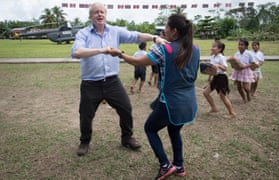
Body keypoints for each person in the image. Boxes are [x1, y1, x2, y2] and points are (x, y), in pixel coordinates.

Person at [109, 14, 200, 180]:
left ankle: (165, 165)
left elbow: (137, 62)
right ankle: (179, 165)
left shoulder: (164, 50)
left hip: (171, 102)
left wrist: (120, 54)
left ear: (173, 31)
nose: (163, 29)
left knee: (150, 128)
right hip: (189, 101)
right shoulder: (195, 48)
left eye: (166, 26)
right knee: (174, 131)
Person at [71, 2, 166, 156]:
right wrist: (102, 50)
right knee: (86, 114)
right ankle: (85, 141)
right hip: (90, 83)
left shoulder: (115, 31)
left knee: (126, 108)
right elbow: (77, 52)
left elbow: (136, 35)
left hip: (112, 81)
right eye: (96, 12)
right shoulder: (83, 34)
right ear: (90, 16)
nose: (100, 14)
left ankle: (127, 137)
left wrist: (155, 37)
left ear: (106, 15)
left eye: (102, 12)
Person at [203, 41, 236, 118]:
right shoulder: (212, 57)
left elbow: (225, 69)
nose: (212, 48)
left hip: (222, 78)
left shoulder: (221, 57)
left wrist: (218, 65)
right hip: (215, 77)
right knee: (205, 92)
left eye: (214, 46)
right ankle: (214, 108)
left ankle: (232, 113)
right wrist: (209, 80)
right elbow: (212, 69)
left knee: (222, 96)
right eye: (212, 46)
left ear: (219, 49)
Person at [231, 38, 256, 103]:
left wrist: (245, 66)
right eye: (239, 44)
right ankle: (243, 98)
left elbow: (253, 63)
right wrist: (233, 65)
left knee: (245, 87)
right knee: (239, 86)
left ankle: (248, 94)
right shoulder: (236, 53)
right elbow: (234, 62)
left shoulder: (249, 53)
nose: (240, 46)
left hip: (246, 71)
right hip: (237, 71)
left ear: (246, 46)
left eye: (242, 45)